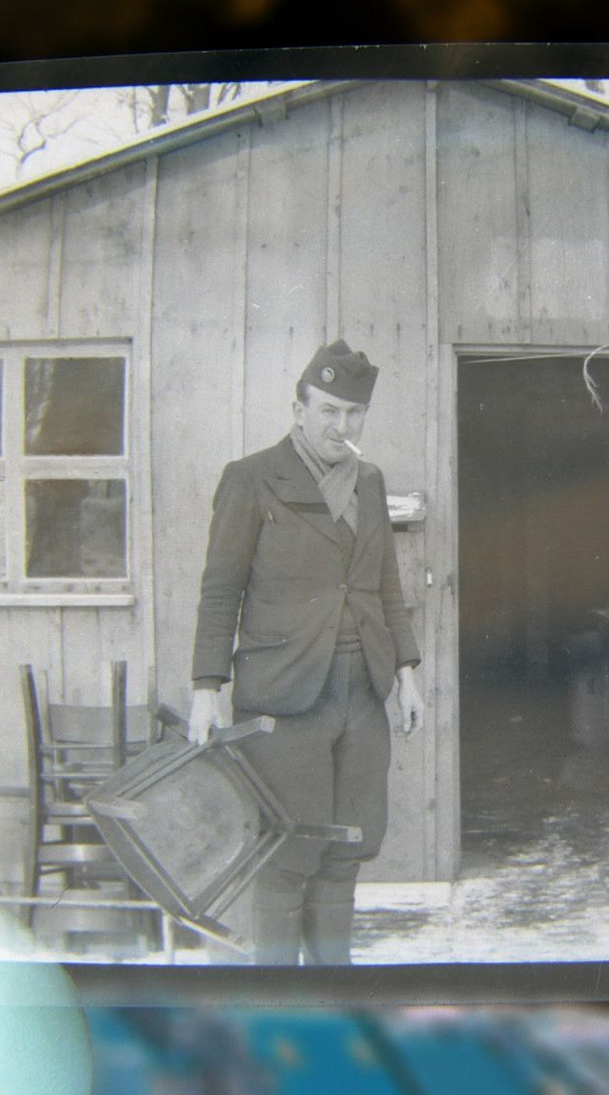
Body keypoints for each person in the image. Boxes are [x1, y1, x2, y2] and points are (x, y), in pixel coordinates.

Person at [188, 339, 425, 965]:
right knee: (287, 852)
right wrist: (206, 689)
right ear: (298, 410)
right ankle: (277, 1001)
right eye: (327, 411)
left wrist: (406, 672)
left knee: (346, 849)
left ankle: (332, 990)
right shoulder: (251, 479)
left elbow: (385, 586)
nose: (340, 427)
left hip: (359, 692)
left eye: (353, 414)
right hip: (285, 694)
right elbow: (220, 592)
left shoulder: (369, 484)